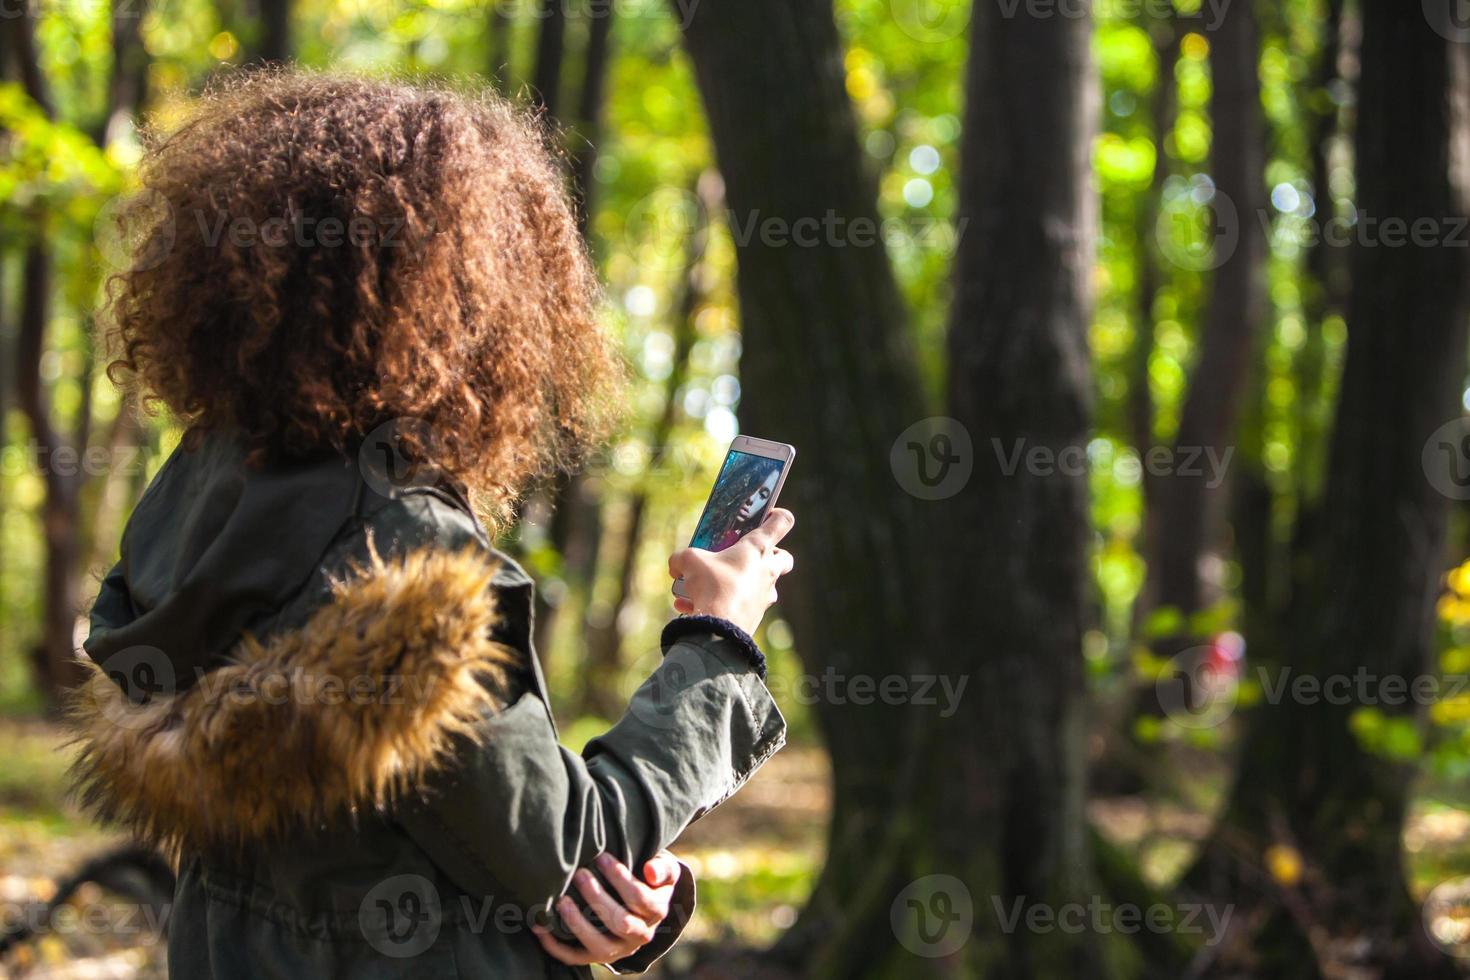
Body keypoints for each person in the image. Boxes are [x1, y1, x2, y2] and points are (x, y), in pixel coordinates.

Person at [70, 71, 795, 978]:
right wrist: (715, 640)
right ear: (471, 308)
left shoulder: (193, 502)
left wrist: (617, 891)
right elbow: (569, 848)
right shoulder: (409, 558)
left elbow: (470, 840)